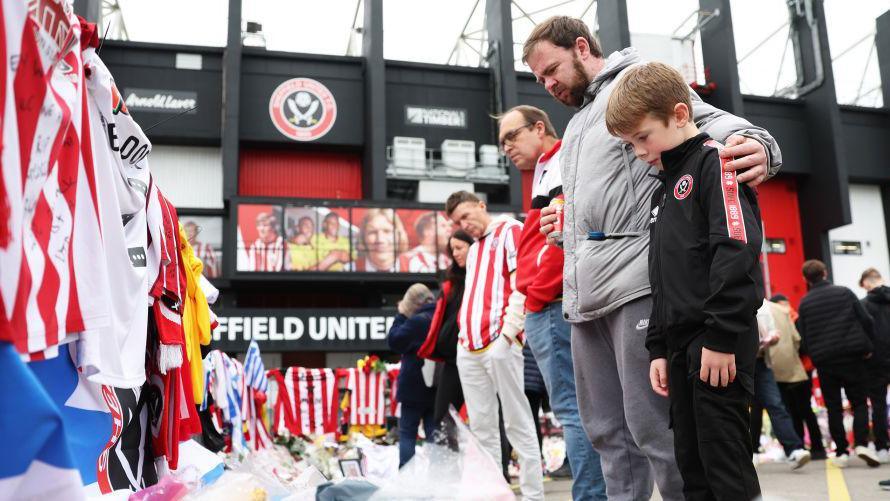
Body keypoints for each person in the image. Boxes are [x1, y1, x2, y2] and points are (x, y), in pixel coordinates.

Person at [524, 16, 780, 500]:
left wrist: (760, 144)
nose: (549, 84)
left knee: (657, 432)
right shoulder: (579, 121)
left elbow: (710, 120)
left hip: (638, 287)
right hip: (586, 297)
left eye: (552, 69)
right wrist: (568, 225)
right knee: (606, 434)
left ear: (582, 47)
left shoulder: (637, 81)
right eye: (540, 80)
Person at [604, 61, 764, 499]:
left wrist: (721, 337)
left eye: (642, 137)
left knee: (725, 470)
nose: (639, 152)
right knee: (692, 471)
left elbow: (737, 253)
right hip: (679, 350)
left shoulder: (717, 162)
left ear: (679, 114)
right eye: (630, 144)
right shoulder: (663, 191)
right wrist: (658, 346)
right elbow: (662, 277)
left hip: (717, 345)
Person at [498, 104, 606, 500]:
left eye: (512, 136)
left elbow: (563, 235)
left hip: (552, 301)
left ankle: (592, 496)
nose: (507, 147)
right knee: (582, 410)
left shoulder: (560, 160)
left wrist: (536, 292)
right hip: (550, 299)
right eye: (502, 142)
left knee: (574, 411)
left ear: (538, 127)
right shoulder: (545, 167)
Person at [445, 190, 544, 500]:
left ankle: (532, 495)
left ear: (481, 206)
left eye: (465, 215)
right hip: (470, 345)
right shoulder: (475, 250)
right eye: (456, 221)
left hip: (497, 341)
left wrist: (508, 335)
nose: (463, 223)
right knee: (483, 429)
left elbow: (522, 284)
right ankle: (494, 494)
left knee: (518, 423)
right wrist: (463, 338)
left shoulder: (510, 230)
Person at [796, 259, 878, 468]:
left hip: (825, 362)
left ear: (806, 279)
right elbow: (866, 320)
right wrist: (868, 346)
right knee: (859, 402)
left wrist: (814, 354)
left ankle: (841, 452)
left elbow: (802, 336)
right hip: (853, 356)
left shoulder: (805, 303)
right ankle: (861, 444)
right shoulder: (844, 292)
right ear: (824, 272)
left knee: (833, 407)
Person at [417, 229, 474, 427]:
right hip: (453, 359)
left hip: (478, 354)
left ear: (472, 247)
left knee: (489, 417)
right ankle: (448, 458)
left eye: (460, 248)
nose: (456, 253)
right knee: (442, 419)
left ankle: (498, 459)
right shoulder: (451, 284)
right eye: (453, 250)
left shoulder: (483, 278)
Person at [761, 294, 827, 460]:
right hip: (799, 369)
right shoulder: (791, 316)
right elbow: (798, 340)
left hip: (777, 368)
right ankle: (816, 448)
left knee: (789, 410)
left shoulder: (771, 312)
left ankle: (798, 447)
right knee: (803, 410)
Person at [751, 299, 811, 468]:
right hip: (739, 363)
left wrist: (772, 337)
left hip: (761, 361)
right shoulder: (732, 296)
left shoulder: (764, 305)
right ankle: (751, 452)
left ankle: (793, 449)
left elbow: (773, 331)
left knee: (775, 405)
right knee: (751, 410)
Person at [387, 283, 438, 467]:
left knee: (408, 434)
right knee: (434, 436)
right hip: (436, 387)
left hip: (412, 387)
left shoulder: (417, 321)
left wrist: (400, 315)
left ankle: (407, 482)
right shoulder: (440, 317)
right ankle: (436, 480)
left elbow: (394, 341)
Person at [860, 267, 890, 462]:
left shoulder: (863, 304)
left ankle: (882, 447)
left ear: (867, 283)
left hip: (875, 361)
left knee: (878, 405)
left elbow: (860, 333)